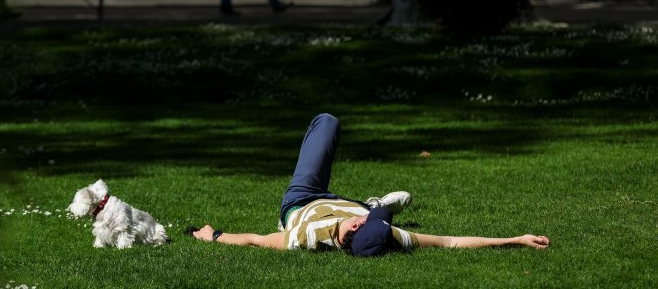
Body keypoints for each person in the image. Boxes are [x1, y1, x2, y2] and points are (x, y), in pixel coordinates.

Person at [191, 113, 550, 256]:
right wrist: (516, 239)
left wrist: (215, 236)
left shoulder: (307, 238)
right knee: (331, 122)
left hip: (303, 201)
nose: (362, 224)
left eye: (361, 226)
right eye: (371, 223)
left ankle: (380, 204)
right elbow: (450, 241)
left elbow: (255, 239)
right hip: (350, 202)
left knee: (325, 124)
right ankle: (379, 204)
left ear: (346, 238)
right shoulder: (380, 231)